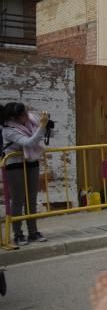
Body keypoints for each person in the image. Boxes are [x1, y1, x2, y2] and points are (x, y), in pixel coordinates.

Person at [2, 102, 49, 245]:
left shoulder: (32, 119)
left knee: (31, 198)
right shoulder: (8, 130)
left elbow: (42, 136)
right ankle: (18, 234)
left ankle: (33, 232)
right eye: (22, 115)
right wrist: (42, 126)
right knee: (18, 199)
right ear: (14, 118)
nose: (26, 116)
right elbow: (29, 142)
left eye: (26, 112)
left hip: (31, 161)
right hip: (14, 163)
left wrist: (46, 126)